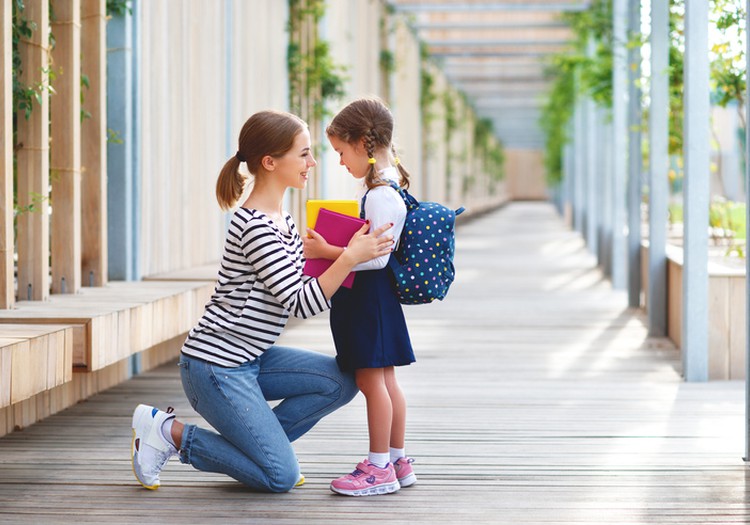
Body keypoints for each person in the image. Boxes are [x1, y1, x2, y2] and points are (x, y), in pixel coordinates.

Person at [130, 110, 395, 493]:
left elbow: (299, 281)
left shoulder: (282, 220)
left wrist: (336, 251)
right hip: (215, 367)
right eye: (303, 154)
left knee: (342, 381)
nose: (313, 162)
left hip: (251, 357)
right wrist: (350, 256)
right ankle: (170, 433)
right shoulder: (255, 226)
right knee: (279, 477)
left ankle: (260, 452)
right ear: (270, 162)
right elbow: (301, 302)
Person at [303, 97, 417, 496]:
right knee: (386, 382)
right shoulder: (387, 188)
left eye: (340, 151)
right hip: (376, 303)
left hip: (367, 302)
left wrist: (326, 252)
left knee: (373, 384)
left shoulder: (380, 194)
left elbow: (375, 260)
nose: (338, 161)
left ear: (362, 143)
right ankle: (397, 459)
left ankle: (379, 467)